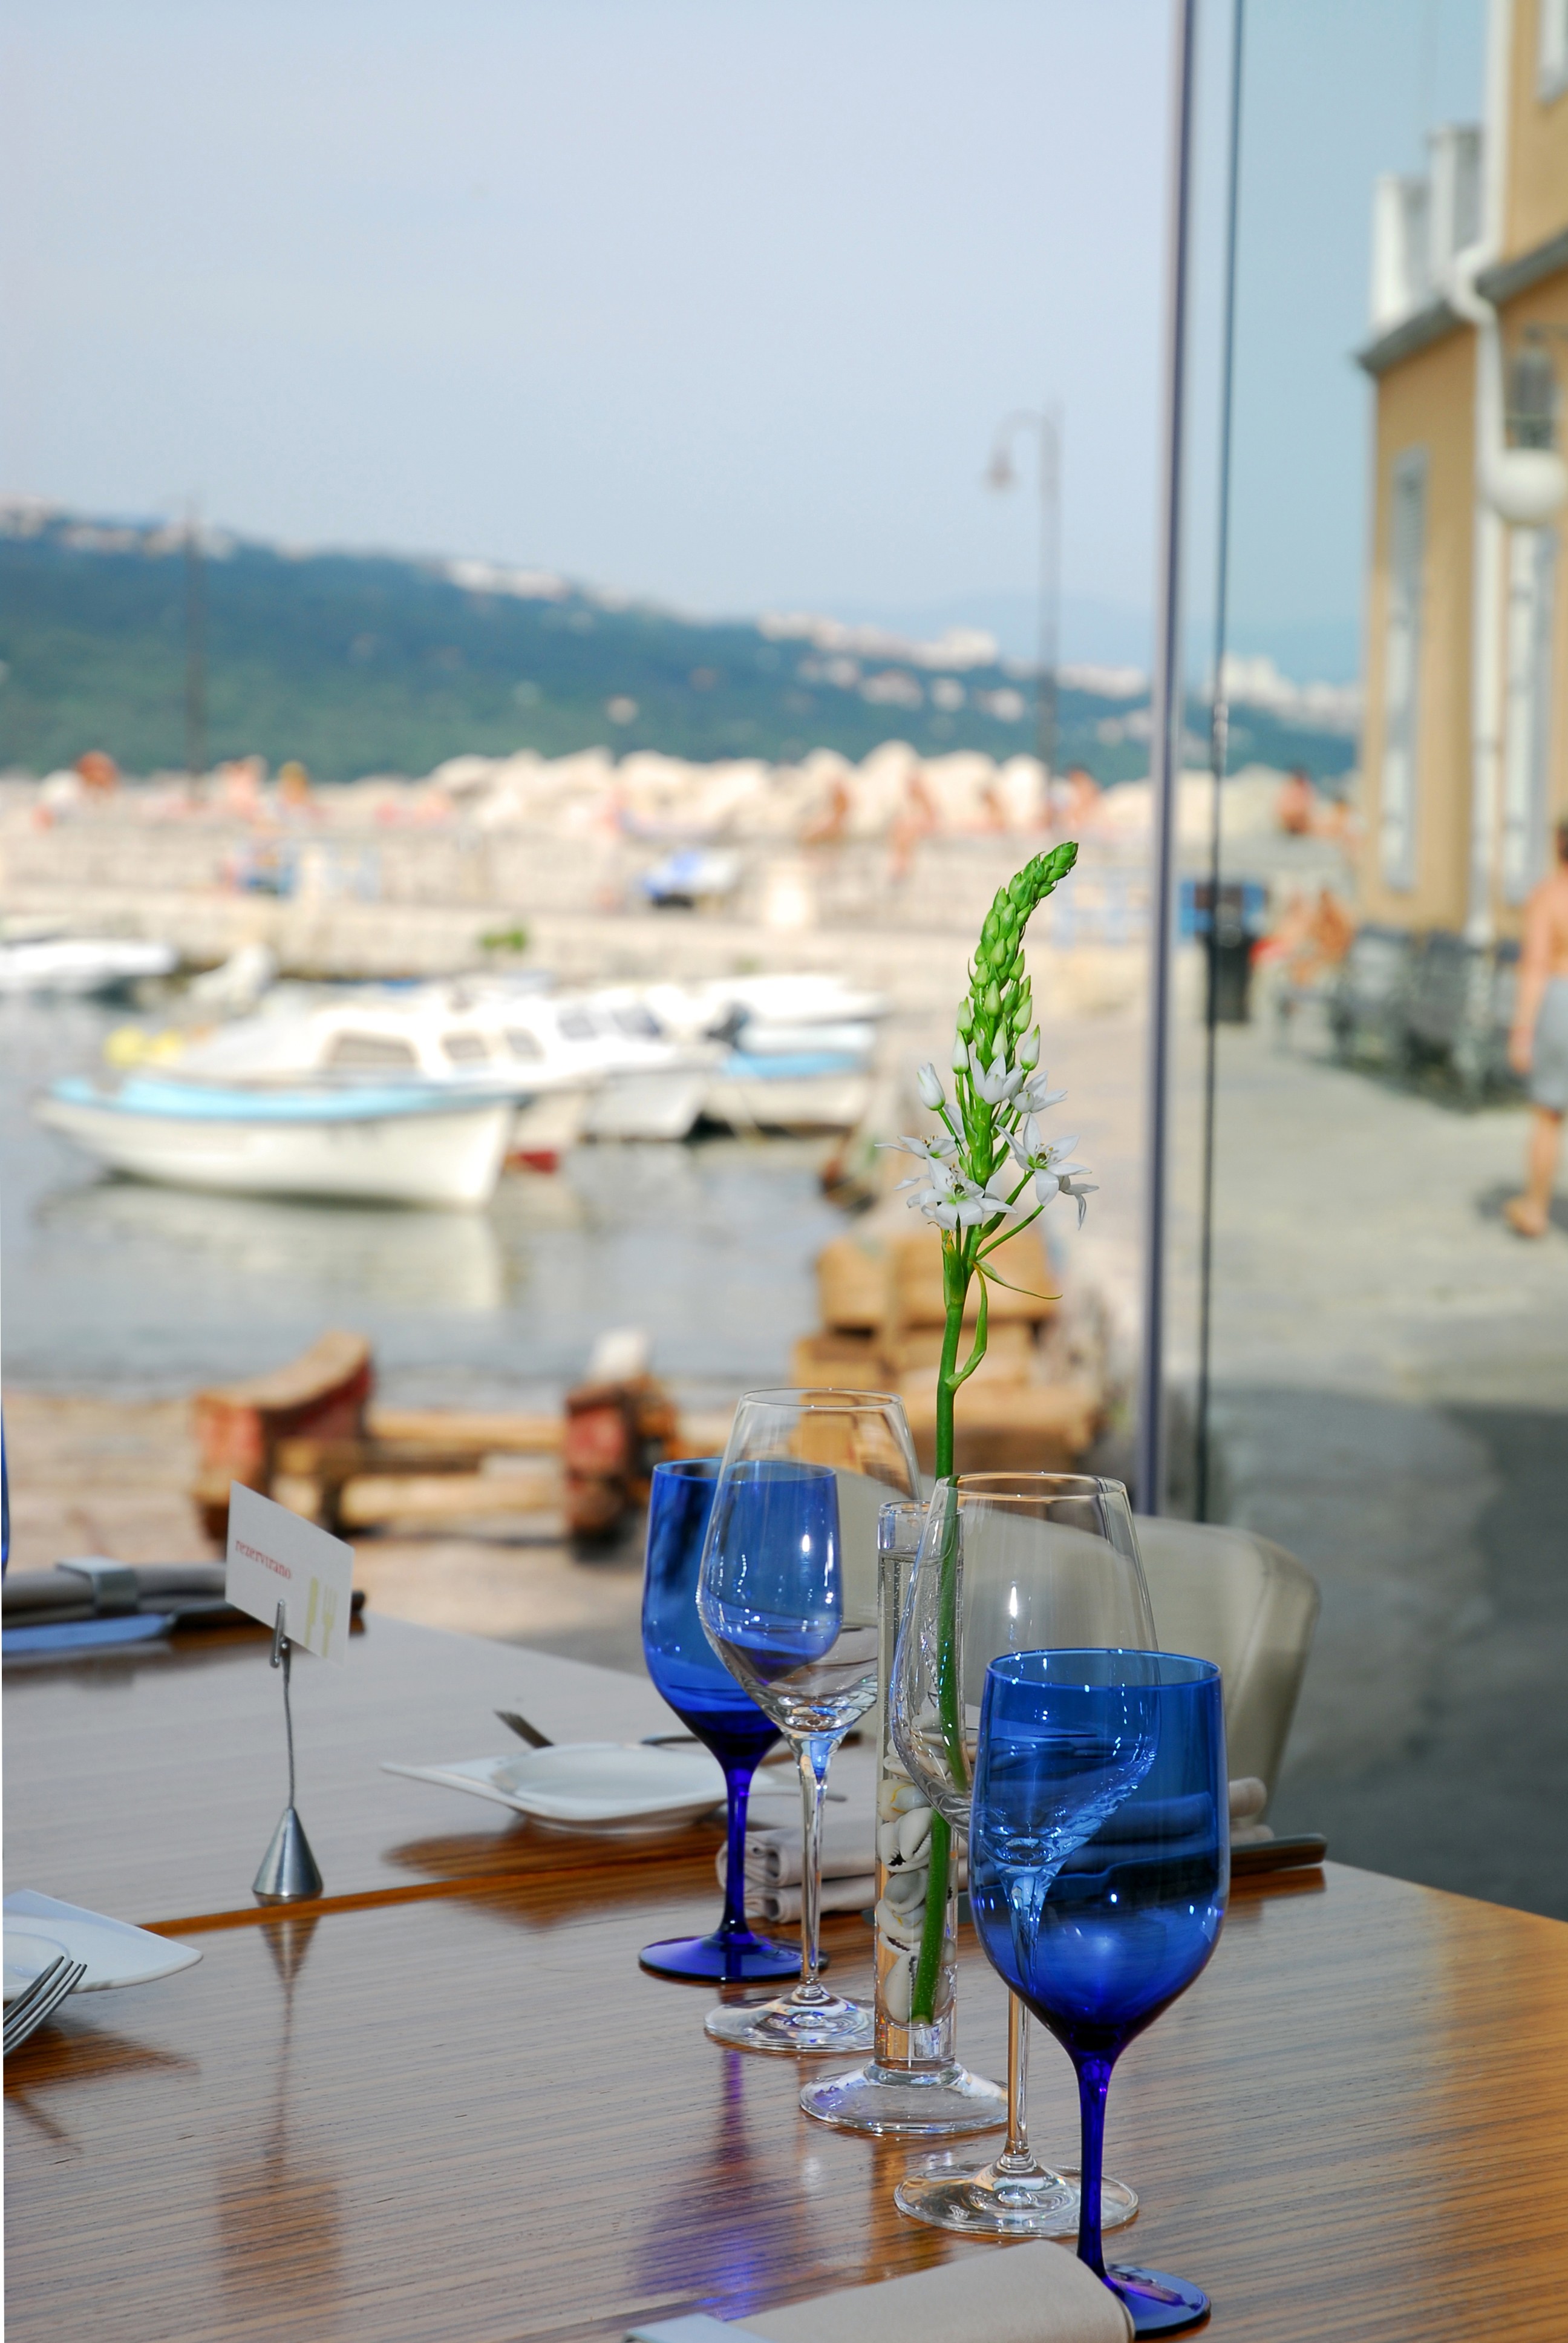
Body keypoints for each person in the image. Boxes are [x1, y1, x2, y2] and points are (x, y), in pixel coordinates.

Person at [1505, 817, 1568, 1238]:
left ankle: (1535, 1210)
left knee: (1548, 1114)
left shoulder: (1549, 896)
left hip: (1560, 1001)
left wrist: (1523, 1030)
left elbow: (1535, 967)